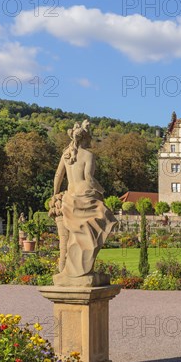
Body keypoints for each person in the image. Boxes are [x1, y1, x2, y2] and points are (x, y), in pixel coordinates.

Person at [50, 120, 117, 286]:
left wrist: (55, 194)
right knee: (104, 219)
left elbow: (58, 176)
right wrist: (101, 190)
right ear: (86, 139)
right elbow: (88, 178)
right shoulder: (89, 156)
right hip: (85, 195)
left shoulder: (66, 154)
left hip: (69, 197)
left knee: (77, 236)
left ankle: (77, 270)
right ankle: (81, 270)